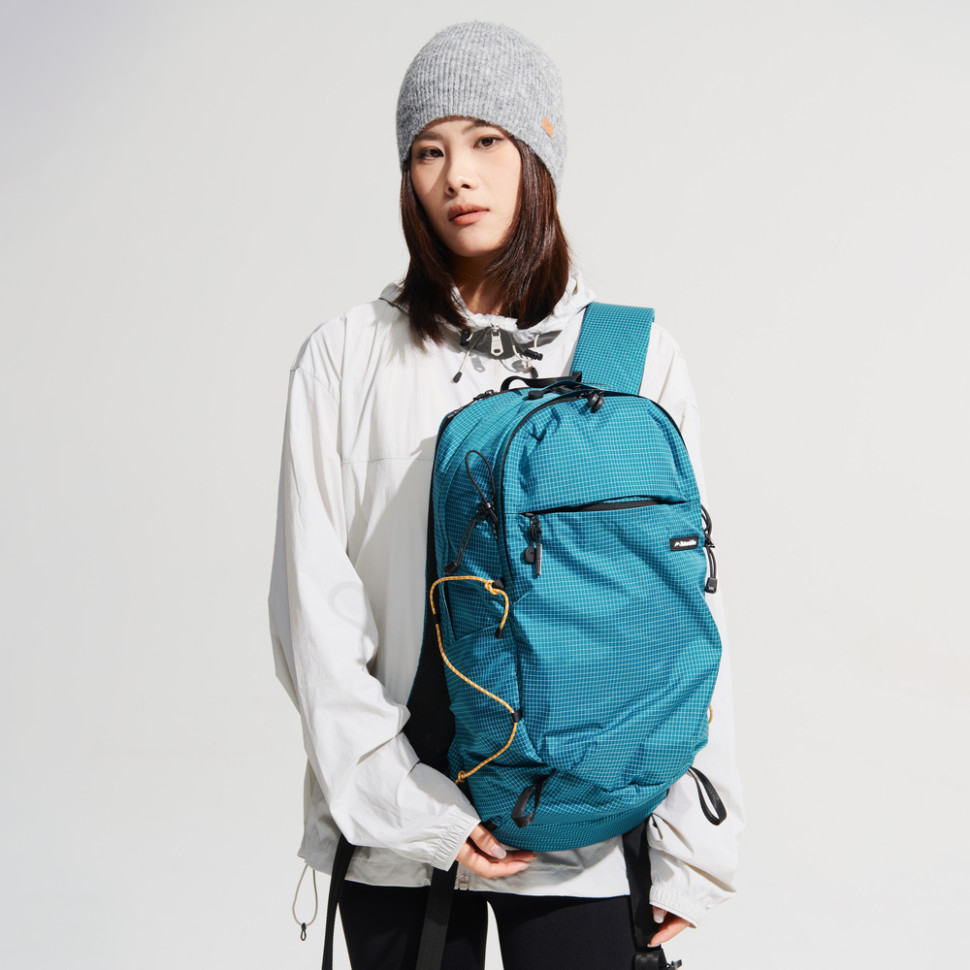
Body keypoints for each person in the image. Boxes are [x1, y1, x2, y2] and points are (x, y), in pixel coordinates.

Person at [269, 21, 742, 970]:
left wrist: (692, 849)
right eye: (428, 151)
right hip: (399, 835)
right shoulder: (348, 357)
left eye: (487, 140)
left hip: (589, 830)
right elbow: (312, 612)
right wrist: (413, 811)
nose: (459, 176)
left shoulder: (632, 357)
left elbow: (684, 609)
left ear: (539, 155)